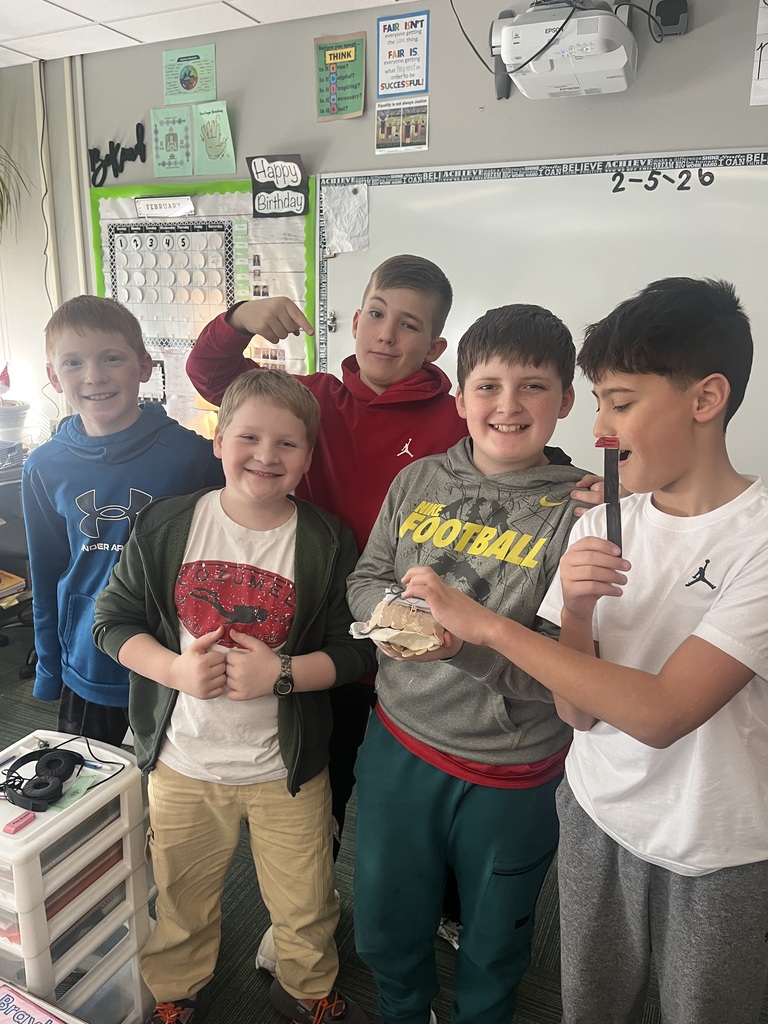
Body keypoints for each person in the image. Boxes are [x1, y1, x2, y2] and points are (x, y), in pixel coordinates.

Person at [398, 278, 768, 1024]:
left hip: (718, 844)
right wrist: (572, 608)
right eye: (597, 400)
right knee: (591, 1004)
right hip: (597, 814)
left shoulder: (757, 535)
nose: (600, 426)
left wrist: (491, 626)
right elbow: (578, 710)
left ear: (706, 399)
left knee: (707, 1008)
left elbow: (663, 713)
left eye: (621, 402)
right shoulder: (601, 520)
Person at [187, 256, 598, 909]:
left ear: (436, 347)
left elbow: (514, 452)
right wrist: (240, 319)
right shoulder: (315, 397)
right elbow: (212, 379)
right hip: (312, 627)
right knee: (319, 787)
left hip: (418, 657)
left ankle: (446, 908)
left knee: (423, 801)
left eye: (408, 325)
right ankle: (311, 906)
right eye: (376, 314)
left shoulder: (457, 410)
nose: (385, 334)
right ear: (355, 320)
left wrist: (575, 483)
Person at [93, 369, 376, 1024]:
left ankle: (306, 992)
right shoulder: (167, 524)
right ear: (219, 439)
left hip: (287, 771)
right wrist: (175, 670)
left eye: (288, 444)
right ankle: (173, 992)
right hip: (182, 764)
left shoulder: (327, 540)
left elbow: (357, 650)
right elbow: (112, 624)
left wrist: (281, 674)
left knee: (307, 904)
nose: (267, 456)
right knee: (181, 897)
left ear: (309, 456)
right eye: (249, 436)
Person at [346, 303, 588, 1024]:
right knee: (386, 917)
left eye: (533, 387)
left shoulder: (583, 510)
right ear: (459, 398)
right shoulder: (418, 480)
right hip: (399, 742)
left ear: (566, 401)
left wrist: (465, 649)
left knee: (496, 933)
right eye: (487, 386)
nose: (507, 405)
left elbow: (562, 665)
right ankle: (401, 1008)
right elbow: (368, 575)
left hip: (512, 767)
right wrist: (393, 617)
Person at [22, 295, 223, 745]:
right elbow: (48, 572)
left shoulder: (192, 457)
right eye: (73, 363)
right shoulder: (44, 467)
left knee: (174, 797)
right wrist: (50, 667)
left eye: (111, 358)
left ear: (144, 365)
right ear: (53, 377)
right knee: (93, 790)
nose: (94, 376)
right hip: (89, 660)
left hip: (176, 654)